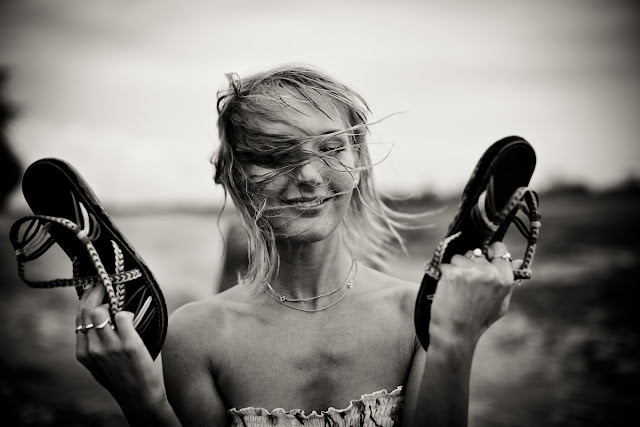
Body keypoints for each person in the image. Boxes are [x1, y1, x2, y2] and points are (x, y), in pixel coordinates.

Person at [75, 66, 518, 426]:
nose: (308, 176)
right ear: (234, 176)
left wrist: (455, 338)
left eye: (331, 148)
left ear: (359, 161)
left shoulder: (418, 317)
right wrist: (144, 403)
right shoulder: (195, 337)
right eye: (274, 153)